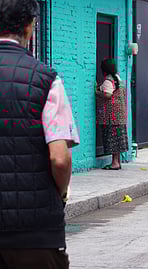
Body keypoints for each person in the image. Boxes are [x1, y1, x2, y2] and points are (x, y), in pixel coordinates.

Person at [0, 0, 80, 268]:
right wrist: (60, 193)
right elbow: (59, 158)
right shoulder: (46, 80)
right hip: (33, 233)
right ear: (29, 27)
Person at [96, 58, 128, 170]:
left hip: (111, 116)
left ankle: (114, 163)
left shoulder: (108, 81)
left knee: (113, 139)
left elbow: (108, 94)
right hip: (120, 116)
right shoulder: (119, 79)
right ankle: (117, 162)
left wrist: (97, 92)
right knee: (118, 139)